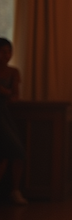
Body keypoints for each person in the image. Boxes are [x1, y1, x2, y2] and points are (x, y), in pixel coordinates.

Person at [0, 39, 26, 205]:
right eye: (1, 51)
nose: (5, 55)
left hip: (5, 114)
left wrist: (5, 92)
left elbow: (15, 95)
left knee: (16, 151)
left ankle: (14, 191)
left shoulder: (13, 72)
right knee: (3, 155)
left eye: (8, 51)